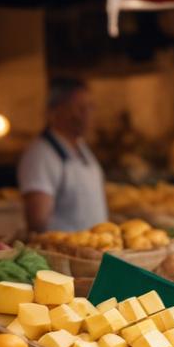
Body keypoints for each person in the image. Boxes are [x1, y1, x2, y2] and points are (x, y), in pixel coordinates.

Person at [18, 77, 107, 233]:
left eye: (90, 107)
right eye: (80, 108)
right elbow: (38, 221)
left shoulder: (80, 146)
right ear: (55, 112)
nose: (88, 115)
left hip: (95, 251)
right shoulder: (41, 155)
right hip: (65, 254)